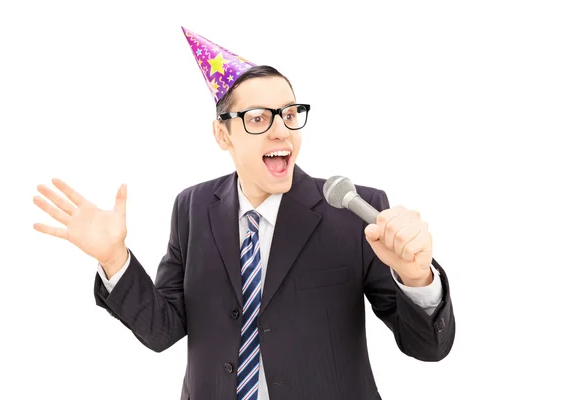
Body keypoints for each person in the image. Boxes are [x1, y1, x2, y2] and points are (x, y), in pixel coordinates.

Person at [33, 26, 455, 400]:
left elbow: (426, 348)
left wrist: (418, 279)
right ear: (222, 134)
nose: (281, 130)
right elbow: (163, 331)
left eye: (290, 114)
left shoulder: (353, 211)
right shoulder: (192, 207)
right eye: (258, 118)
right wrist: (113, 259)